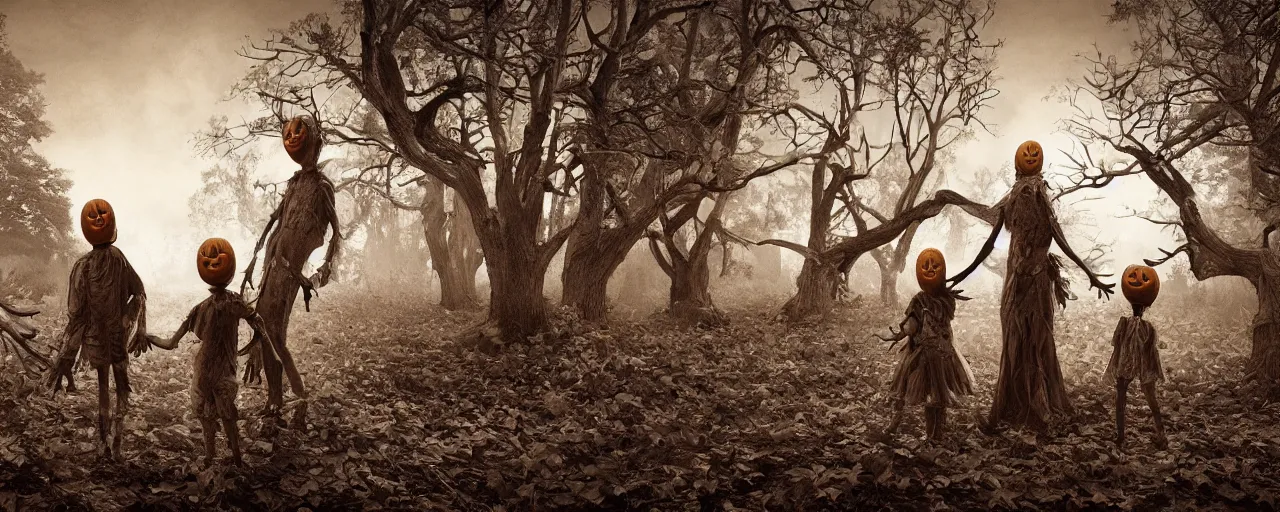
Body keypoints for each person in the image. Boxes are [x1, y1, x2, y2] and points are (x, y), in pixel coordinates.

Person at [948, 140, 1115, 431]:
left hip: (1036, 280)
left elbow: (1058, 236)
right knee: (1014, 339)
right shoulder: (1012, 199)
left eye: (1034, 152)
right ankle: (1014, 405)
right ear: (1017, 161)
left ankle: (1037, 404)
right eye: (1025, 152)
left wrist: (1091, 274)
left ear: (1039, 161)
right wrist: (965, 272)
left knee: (1037, 339)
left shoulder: (1041, 197)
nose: (1029, 154)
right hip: (1016, 282)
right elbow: (991, 242)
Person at [140, 238, 276, 467]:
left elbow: (170, 342)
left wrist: (146, 336)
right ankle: (232, 458)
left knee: (214, 416)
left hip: (208, 370)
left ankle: (222, 457)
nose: (213, 262)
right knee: (222, 415)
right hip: (219, 371)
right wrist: (263, 344)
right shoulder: (231, 303)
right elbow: (257, 321)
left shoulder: (205, 307)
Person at [46, 198, 153, 460]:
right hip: (113, 335)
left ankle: (106, 442)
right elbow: (139, 292)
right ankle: (114, 441)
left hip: (100, 336)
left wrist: (68, 349)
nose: (98, 218)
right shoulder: (116, 259)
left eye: (101, 215)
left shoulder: (85, 265)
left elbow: (75, 312)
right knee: (118, 383)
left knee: (105, 387)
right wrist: (132, 322)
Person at [876, 248, 976, 441]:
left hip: (934, 354)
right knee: (927, 393)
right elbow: (917, 324)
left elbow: (924, 322)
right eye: (925, 265)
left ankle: (929, 434)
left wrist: (906, 328)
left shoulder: (932, 300)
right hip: (934, 353)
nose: (930, 269)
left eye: (935, 265)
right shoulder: (934, 299)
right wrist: (904, 330)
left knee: (930, 394)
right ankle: (926, 433)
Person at [1106, 264, 1167, 449]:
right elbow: (1151, 350)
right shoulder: (1149, 327)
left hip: (1126, 363)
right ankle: (1161, 435)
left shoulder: (1123, 323)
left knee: (1121, 397)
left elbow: (1115, 344)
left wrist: (1119, 362)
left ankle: (1121, 435)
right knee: (1151, 397)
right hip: (1144, 364)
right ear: (1147, 306)